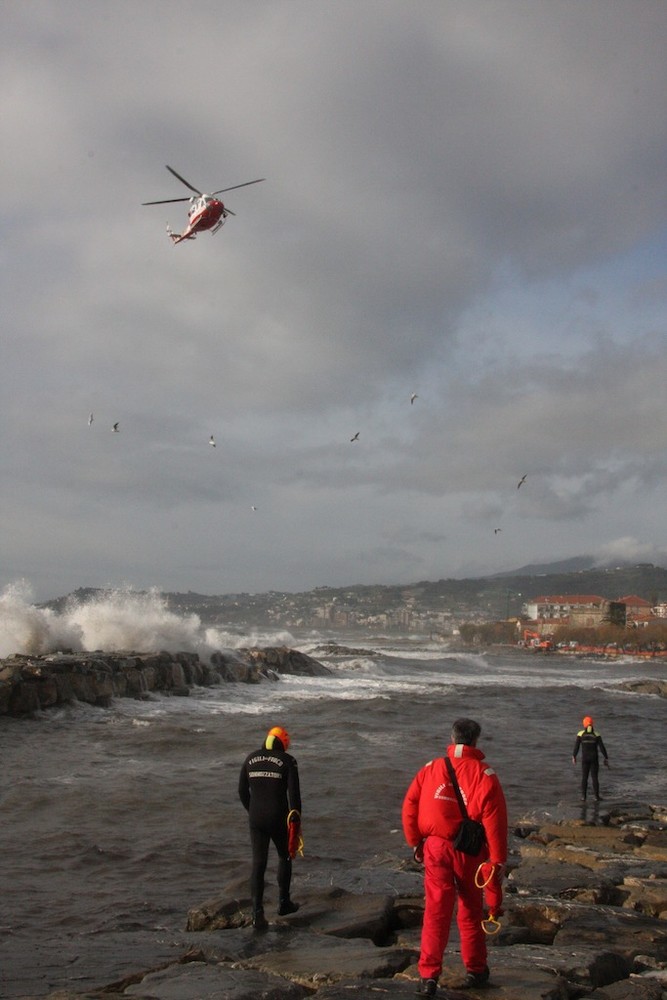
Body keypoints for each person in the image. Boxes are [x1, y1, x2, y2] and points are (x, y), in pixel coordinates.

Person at [402, 718, 508, 996]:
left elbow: (410, 803)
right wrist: (496, 862)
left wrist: (415, 842)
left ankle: (428, 976)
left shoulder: (430, 769)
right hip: (469, 852)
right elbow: (495, 824)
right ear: (475, 741)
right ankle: (475, 969)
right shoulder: (485, 775)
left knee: (436, 911)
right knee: (471, 910)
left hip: (435, 849)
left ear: (452, 739)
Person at [238, 725, 301, 930]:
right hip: (279, 817)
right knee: (285, 856)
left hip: (256, 818)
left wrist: (253, 811)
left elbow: (241, 791)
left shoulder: (250, 758)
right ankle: (284, 903)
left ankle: (257, 915)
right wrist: (295, 821)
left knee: (258, 863)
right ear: (283, 743)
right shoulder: (287, 761)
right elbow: (294, 795)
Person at [572, 715, 609, 801]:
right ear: (592, 724)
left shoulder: (580, 734)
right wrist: (606, 758)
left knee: (584, 777)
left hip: (585, 759)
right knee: (594, 777)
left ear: (584, 724)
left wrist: (574, 756)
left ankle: (583, 797)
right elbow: (602, 747)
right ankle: (596, 797)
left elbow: (576, 747)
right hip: (594, 759)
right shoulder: (597, 734)